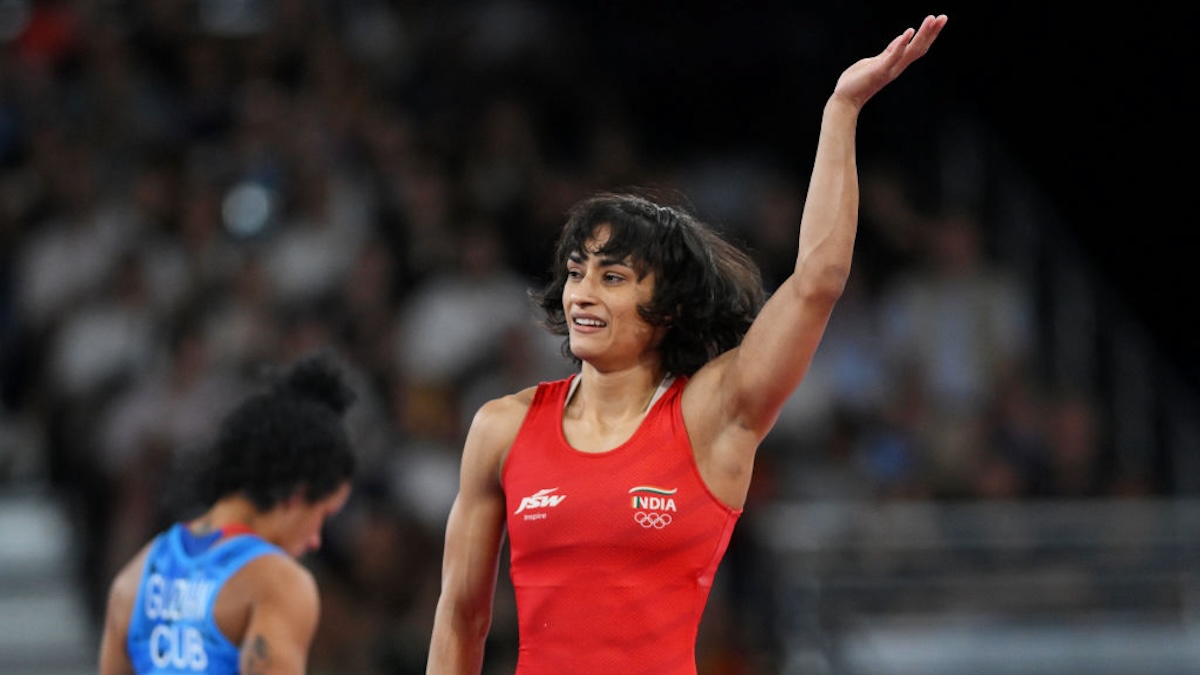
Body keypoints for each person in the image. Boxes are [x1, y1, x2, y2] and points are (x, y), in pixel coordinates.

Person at [426, 13, 949, 675]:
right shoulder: (500, 427)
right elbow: (461, 617)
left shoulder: (711, 413)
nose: (582, 292)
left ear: (667, 306)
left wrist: (841, 109)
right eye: (577, 272)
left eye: (612, 276)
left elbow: (817, 281)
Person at [98, 349, 358, 675]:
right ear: (297, 496)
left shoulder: (132, 579)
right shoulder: (277, 582)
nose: (316, 540)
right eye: (323, 514)